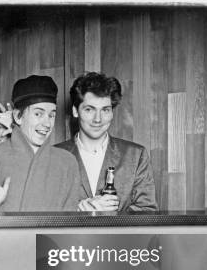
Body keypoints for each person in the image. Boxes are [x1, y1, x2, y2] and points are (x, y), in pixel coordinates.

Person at [0, 75, 83, 212]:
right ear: (18, 116)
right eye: (38, 114)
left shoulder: (67, 162)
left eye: (51, 115)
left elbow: (68, 225)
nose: (47, 123)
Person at [55, 72, 158, 212]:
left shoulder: (136, 155)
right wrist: (75, 211)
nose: (98, 119)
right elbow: (41, 210)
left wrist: (111, 216)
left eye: (105, 110)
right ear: (75, 111)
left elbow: (148, 211)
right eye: (89, 109)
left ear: (112, 112)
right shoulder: (54, 156)